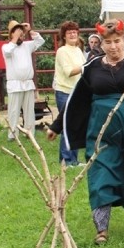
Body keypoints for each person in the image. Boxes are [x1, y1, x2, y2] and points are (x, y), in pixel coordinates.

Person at [46, 19, 124, 243]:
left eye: (117, 41)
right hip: (101, 132)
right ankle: (101, 228)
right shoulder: (93, 66)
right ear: (102, 44)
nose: (113, 47)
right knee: (100, 173)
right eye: (108, 42)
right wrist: (57, 126)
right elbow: (78, 98)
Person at [2, 20, 45, 140]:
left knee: (29, 111)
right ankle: (12, 134)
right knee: (14, 111)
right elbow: (7, 52)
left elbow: (40, 41)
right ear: (11, 34)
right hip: (15, 84)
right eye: (18, 34)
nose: (21, 36)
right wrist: (15, 38)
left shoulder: (27, 46)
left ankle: (29, 133)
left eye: (22, 34)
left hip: (27, 83)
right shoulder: (7, 47)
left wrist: (30, 30)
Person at [52, 21, 86, 166]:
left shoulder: (78, 50)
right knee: (67, 125)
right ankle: (66, 160)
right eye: (69, 32)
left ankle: (74, 160)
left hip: (77, 92)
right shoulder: (62, 51)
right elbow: (69, 72)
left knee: (76, 125)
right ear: (64, 36)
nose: (73, 34)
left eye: (75, 32)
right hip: (64, 91)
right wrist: (87, 66)